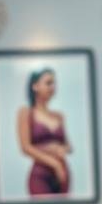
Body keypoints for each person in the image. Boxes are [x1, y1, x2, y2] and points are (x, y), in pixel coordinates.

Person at [17, 68, 72, 196]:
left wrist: (62, 149)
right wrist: (54, 163)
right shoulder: (26, 113)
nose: (52, 87)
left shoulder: (58, 116)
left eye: (54, 83)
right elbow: (25, 147)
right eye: (48, 83)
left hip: (63, 173)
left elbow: (68, 145)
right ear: (35, 86)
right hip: (41, 173)